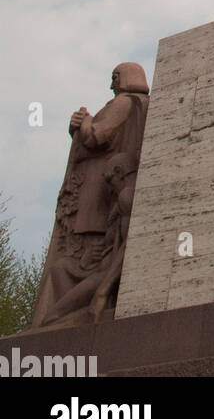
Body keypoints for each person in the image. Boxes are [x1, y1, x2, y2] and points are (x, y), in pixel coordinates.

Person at [31, 63, 150, 328]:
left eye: (115, 78)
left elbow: (97, 136)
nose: (112, 85)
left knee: (75, 263)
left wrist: (84, 122)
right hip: (106, 199)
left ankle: (53, 320)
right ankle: (55, 319)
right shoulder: (139, 105)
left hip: (97, 200)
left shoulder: (123, 103)